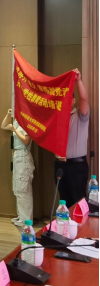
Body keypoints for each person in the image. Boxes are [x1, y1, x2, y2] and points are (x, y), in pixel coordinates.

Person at [55, 68, 90, 207]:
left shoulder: (80, 115)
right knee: (64, 202)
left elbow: (84, 99)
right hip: (60, 166)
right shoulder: (56, 118)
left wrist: (78, 81)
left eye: (68, 98)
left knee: (78, 203)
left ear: (74, 100)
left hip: (77, 167)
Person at [1, 108, 34, 226]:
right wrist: (8, 114)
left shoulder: (29, 122)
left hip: (24, 156)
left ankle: (26, 219)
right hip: (16, 156)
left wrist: (15, 130)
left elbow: (26, 140)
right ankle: (21, 216)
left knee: (23, 189)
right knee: (18, 188)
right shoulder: (17, 121)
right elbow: (3, 126)